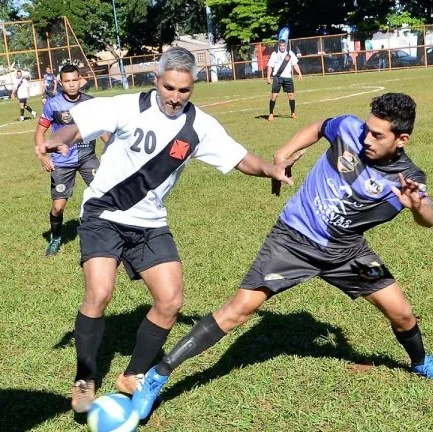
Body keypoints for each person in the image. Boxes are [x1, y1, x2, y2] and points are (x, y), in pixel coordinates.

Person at [132, 92, 433, 420]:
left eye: (377, 135)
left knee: (401, 312)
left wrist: (418, 207)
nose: (367, 138)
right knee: (238, 310)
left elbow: (427, 218)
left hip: (346, 252)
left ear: (402, 139)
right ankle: (158, 375)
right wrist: (284, 153)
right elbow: (319, 127)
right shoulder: (348, 128)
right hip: (292, 241)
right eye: (367, 130)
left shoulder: (408, 177)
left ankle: (420, 362)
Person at [36, 46, 298, 414]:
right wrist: (62, 137)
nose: (175, 97)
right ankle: (85, 376)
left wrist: (270, 170)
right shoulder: (126, 106)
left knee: (171, 301)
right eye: (169, 88)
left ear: (193, 87)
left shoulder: (199, 127)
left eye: (183, 91)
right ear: (156, 80)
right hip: (104, 213)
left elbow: (240, 158)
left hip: (150, 222)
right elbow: (79, 124)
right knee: (99, 292)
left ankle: (132, 375)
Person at [34, 64, 108, 256]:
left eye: (75, 80)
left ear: (80, 80)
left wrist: (114, 150)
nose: (72, 85)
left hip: (87, 158)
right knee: (58, 207)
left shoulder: (91, 102)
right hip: (62, 161)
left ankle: (108, 234)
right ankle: (56, 237)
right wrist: (42, 155)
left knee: (106, 194)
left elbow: (103, 132)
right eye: (67, 81)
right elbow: (40, 131)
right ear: (61, 82)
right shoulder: (53, 104)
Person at [267, 39, 303, 121]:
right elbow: (270, 66)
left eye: (284, 45)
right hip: (277, 77)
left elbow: (295, 64)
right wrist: (268, 77)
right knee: (274, 96)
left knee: (291, 95)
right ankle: (271, 114)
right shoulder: (275, 54)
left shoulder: (290, 53)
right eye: (281, 46)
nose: (282, 47)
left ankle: (293, 113)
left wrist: (300, 73)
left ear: (285, 46)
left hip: (288, 78)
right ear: (278, 46)